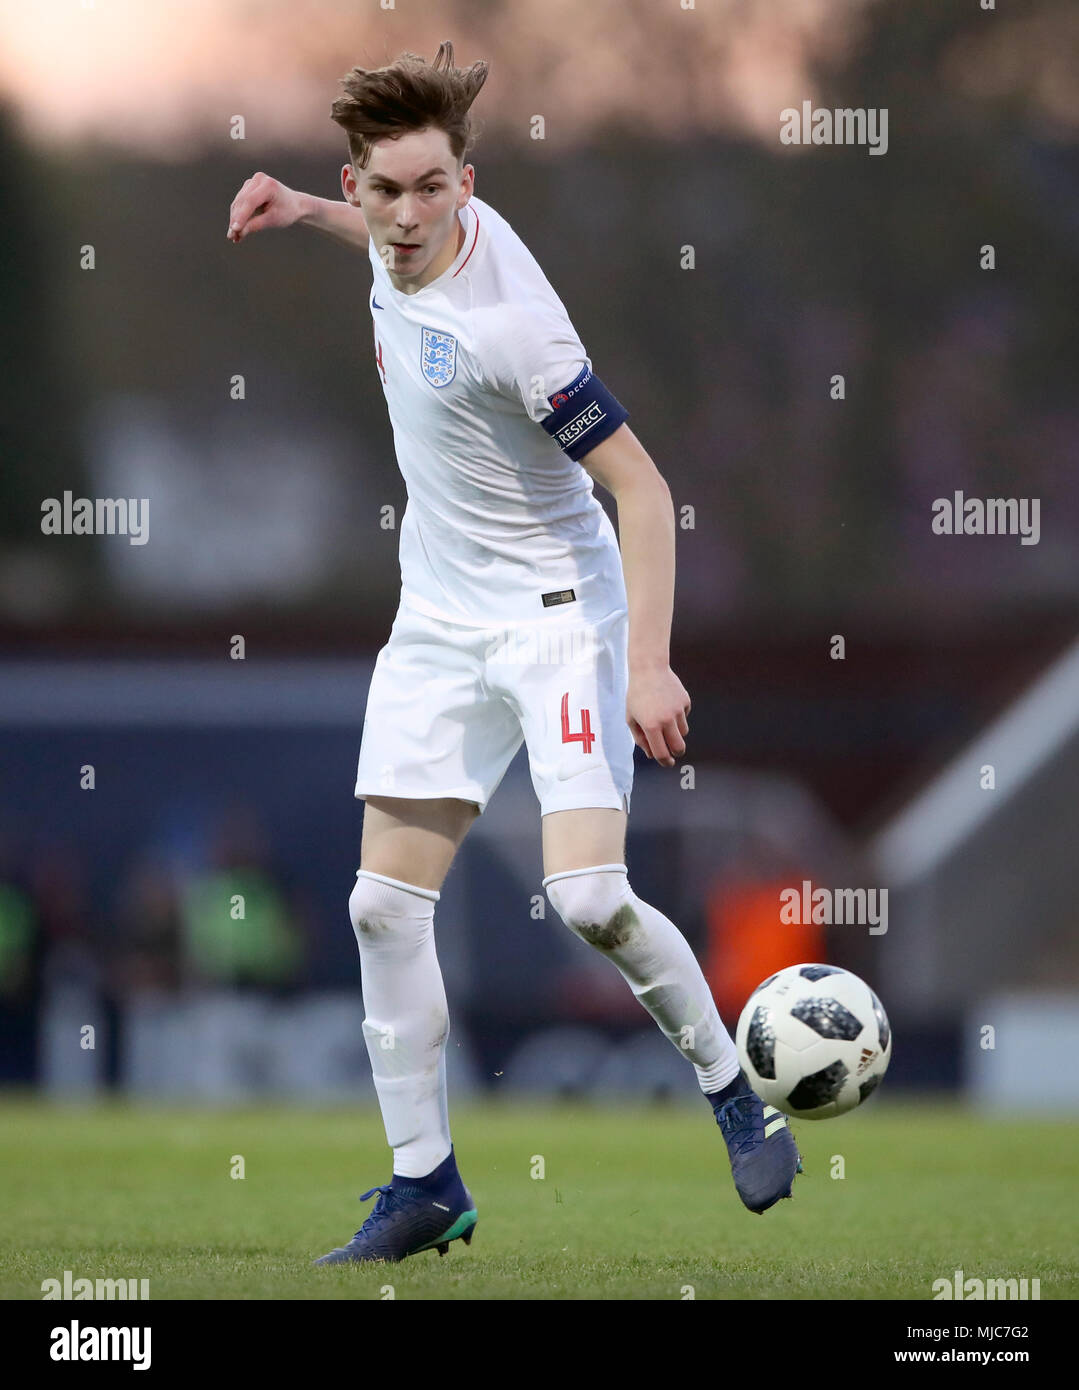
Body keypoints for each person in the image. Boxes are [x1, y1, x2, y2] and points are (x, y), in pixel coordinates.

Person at [227, 40, 800, 1266]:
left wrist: (646, 663)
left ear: (469, 186)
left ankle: (728, 1085)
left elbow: (639, 492)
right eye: (382, 191)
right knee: (381, 907)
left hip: (558, 617)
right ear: (361, 182)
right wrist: (300, 212)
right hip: (436, 616)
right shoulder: (384, 238)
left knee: (589, 897)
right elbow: (379, 242)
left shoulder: (516, 329)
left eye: (432, 189)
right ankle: (422, 1181)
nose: (405, 215)